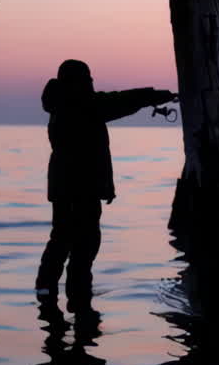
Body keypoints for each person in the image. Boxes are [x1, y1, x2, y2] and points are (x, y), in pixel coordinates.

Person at [35, 59, 176, 310]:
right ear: (78, 81)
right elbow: (117, 101)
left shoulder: (62, 105)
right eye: (88, 78)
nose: (91, 82)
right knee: (83, 244)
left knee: (63, 239)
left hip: (66, 188)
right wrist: (153, 96)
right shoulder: (80, 105)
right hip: (81, 189)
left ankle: (49, 293)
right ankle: (76, 296)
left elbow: (113, 102)